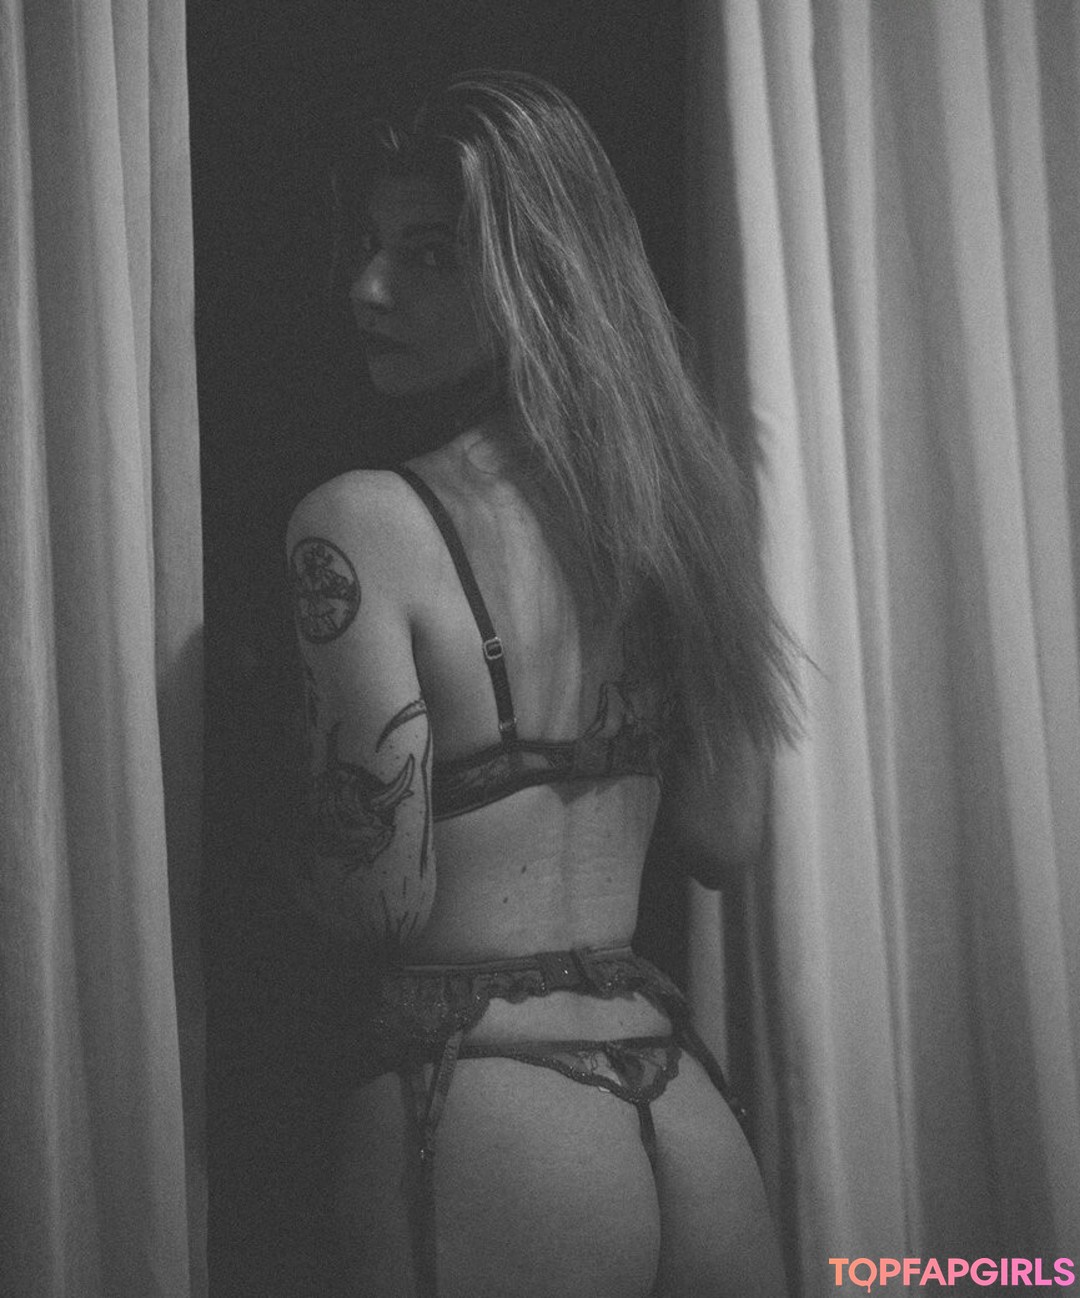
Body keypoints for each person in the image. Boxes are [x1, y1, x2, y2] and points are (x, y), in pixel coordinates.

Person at [283, 70, 797, 1298]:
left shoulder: (361, 521)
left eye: (428, 254)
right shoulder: (689, 511)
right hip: (683, 1109)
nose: (368, 288)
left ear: (539, 279)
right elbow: (725, 833)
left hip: (487, 1113)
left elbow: (380, 903)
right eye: (370, 247)